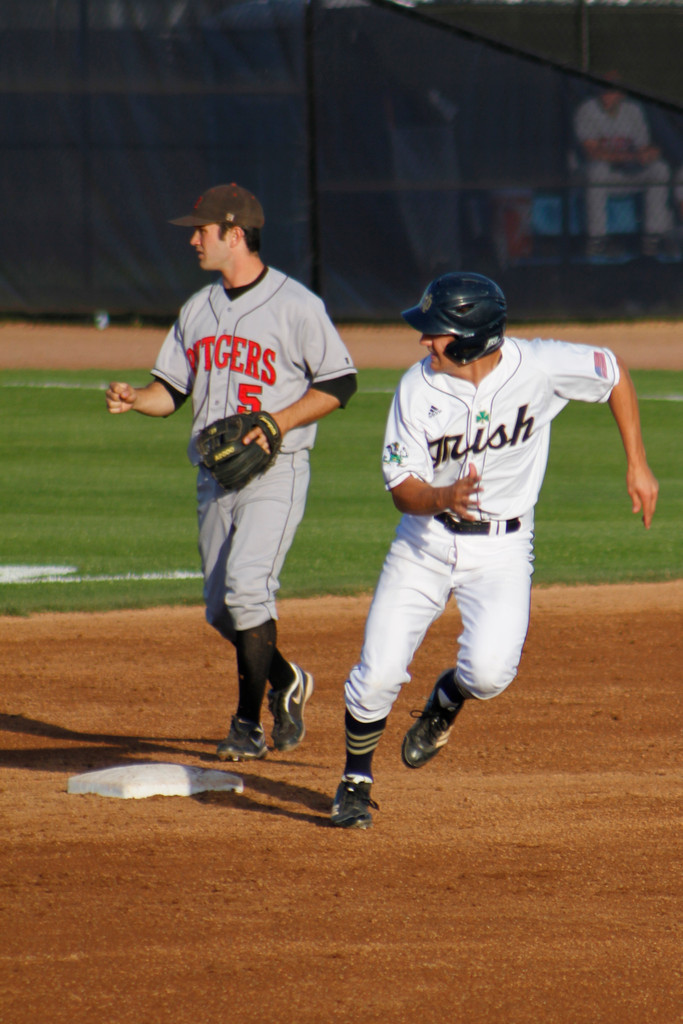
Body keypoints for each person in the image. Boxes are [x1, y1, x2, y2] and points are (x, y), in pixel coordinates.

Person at [330, 271, 658, 829]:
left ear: (470, 338)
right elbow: (402, 490)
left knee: (488, 674)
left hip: (503, 549)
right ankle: (354, 781)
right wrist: (442, 496)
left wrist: (638, 462)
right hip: (424, 543)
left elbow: (614, 372)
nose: (424, 342)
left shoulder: (541, 365)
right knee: (380, 670)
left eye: (435, 332)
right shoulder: (417, 387)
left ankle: (446, 701)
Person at [106, 182, 357, 761]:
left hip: (277, 469)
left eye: (202, 230)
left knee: (249, 589)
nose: (193, 239)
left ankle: (247, 725)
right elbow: (170, 391)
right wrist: (135, 397)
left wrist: (280, 420)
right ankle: (286, 679)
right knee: (222, 610)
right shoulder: (198, 309)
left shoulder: (297, 305)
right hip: (214, 478)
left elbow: (340, 381)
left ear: (234, 234)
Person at [573, 75, 676, 258]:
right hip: (596, 177)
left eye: (611, 89)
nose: (606, 93)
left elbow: (643, 147)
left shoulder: (633, 110)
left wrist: (649, 154)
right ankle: (598, 239)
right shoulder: (587, 110)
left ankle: (653, 237)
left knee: (659, 168)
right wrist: (632, 156)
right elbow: (592, 153)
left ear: (621, 93)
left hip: (628, 173)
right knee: (598, 170)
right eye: (602, 87)